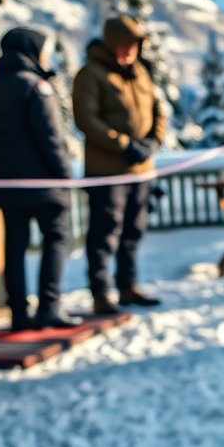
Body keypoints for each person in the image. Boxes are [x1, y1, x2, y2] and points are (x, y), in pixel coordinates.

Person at [0, 27, 79, 331]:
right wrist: (65, 176)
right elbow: (51, 139)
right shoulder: (37, 87)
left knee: (14, 245)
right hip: (43, 184)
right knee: (57, 239)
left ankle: (19, 313)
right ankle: (49, 307)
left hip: (6, 183)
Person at [73, 16, 166, 314]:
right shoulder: (92, 75)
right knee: (105, 232)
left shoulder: (140, 73)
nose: (130, 51)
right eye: (125, 45)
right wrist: (123, 145)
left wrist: (152, 142)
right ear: (112, 44)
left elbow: (159, 111)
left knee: (132, 232)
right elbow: (86, 119)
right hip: (107, 172)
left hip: (141, 170)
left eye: (134, 46)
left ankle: (128, 286)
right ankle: (101, 292)